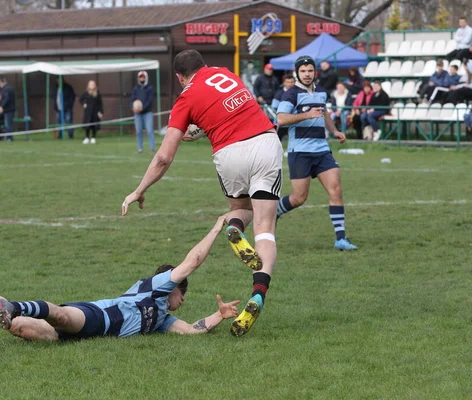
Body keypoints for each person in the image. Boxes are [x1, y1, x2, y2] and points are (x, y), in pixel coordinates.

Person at [122, 49, 284, 337]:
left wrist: (139, 189)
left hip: (229, 152)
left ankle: (233, 225)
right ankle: (258, 294)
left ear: (179, 77)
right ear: (204, 66)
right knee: (265, 227)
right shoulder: (226, 74)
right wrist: (198, 128)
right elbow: (229, 109)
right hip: (264, 141)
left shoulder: (185, 98)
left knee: (240, 209)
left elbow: (163, 157)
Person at [0, 216, 242, 341]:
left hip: (85, 336)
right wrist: (216, 228)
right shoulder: (156, 287)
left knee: (18, 328)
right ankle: (16, 305)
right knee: (58, 314)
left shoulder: (162, 319)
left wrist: (219, 314)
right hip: (98, 317)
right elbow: (191, 263)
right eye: (182, 292)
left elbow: (192, 330)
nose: (184, 300)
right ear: (172, 285)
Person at [276, 55, 356, 251]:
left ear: (315, 72)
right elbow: (282, 119)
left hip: (321, 150)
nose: (307, 74)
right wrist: (306, 114)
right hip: (300, 151)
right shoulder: (291, 94)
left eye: (310, 71)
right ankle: (274, 211)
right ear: (297, 73)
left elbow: (324, 112)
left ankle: (341, 238)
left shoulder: (321, 91)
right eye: (303, 71)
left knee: (336, 189)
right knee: (298, 198)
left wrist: (334, 130)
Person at [131, 71, 155, 153]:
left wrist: (142, 108)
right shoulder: (135, 89)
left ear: (146, 78)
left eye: (143, 77)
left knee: (149, 130)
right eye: (140, 77)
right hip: (137, 114)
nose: (142, 79)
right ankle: (140, 148)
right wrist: (133, 107)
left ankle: (152, 148)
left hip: (148, 113)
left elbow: (150, 101)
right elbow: (132, 100)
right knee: (138, 131)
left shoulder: (150, 88)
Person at [272, 74, 296, 141]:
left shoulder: (297, 93)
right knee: (278, 140)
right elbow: (274, 107)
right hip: (281, 123)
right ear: (284, 83)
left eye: (291, 82)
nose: (290, 84)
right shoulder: (279, 94)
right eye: (288, 82)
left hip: (294, 122)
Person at [79, 80, 104, 144]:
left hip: (95, 112)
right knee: (87, 125)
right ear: (88, 85)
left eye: (93, 84)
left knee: (94, 125)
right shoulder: (86, 93)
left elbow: (100, 103)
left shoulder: (97, 93)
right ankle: (87, 138)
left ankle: (93, 137)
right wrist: (84, 104)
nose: (92, 85)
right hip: (88, 112)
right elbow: (80, 99)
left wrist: (101, 112)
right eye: (91, 84)